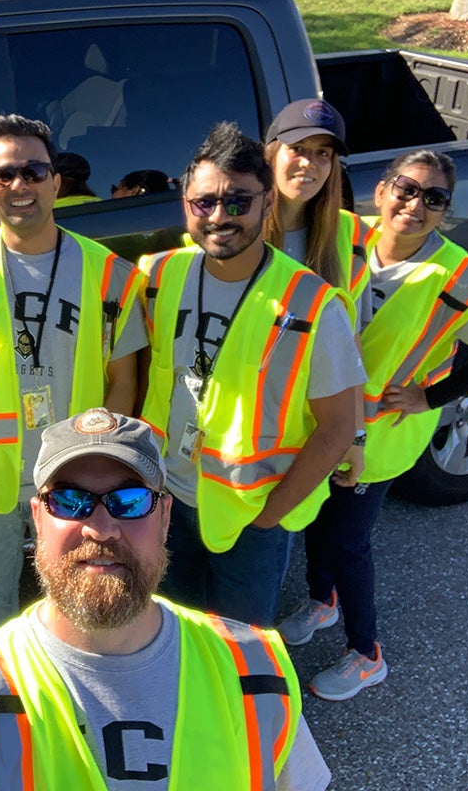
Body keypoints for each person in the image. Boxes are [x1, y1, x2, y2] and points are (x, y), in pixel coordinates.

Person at [0, 408, 331, 791]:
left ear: (164, 518)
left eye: (130, 501)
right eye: (70, 501)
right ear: (38, 519)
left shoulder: (259, 668)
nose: (100, 528)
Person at [276, 150, 468, 700]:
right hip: (323, 421)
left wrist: (430, 396)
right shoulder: (342, 235)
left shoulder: (456, 275)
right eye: (407, 189)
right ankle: (322, 601)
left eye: (433, 199)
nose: (416, 205)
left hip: (383, 433)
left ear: (444, 213)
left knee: (347, 539)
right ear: (382, 190)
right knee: (314, 518)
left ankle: (367, 654)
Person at [0, 114, 147, 632]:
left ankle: (70, 685)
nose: (20, 185)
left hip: (74, 474)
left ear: (57, 183)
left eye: (34, 171)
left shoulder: (106, 271)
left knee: (77, 591)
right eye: (4, 175)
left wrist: (107, 468)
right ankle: (4, 698)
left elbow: (124, 383)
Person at [136, 121, 365, 626]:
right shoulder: (159, 276)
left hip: (251, 515)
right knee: (173, 632)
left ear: (267, 205)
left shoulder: (311, 303)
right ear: (186, 203)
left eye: (239, 202)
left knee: (241, 646)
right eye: (205, 203)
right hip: (168, 500)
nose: (221, 216)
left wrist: (269, 518)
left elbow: (338, 426)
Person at [262, 98, 371, 484]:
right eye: (298, 150)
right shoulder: (236, 228)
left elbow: (349, 345)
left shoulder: (348, 236)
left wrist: (354, 434)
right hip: (244, 431)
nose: (309, 163)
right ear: (272, 153)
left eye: (322, 154)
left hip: (310, 433)